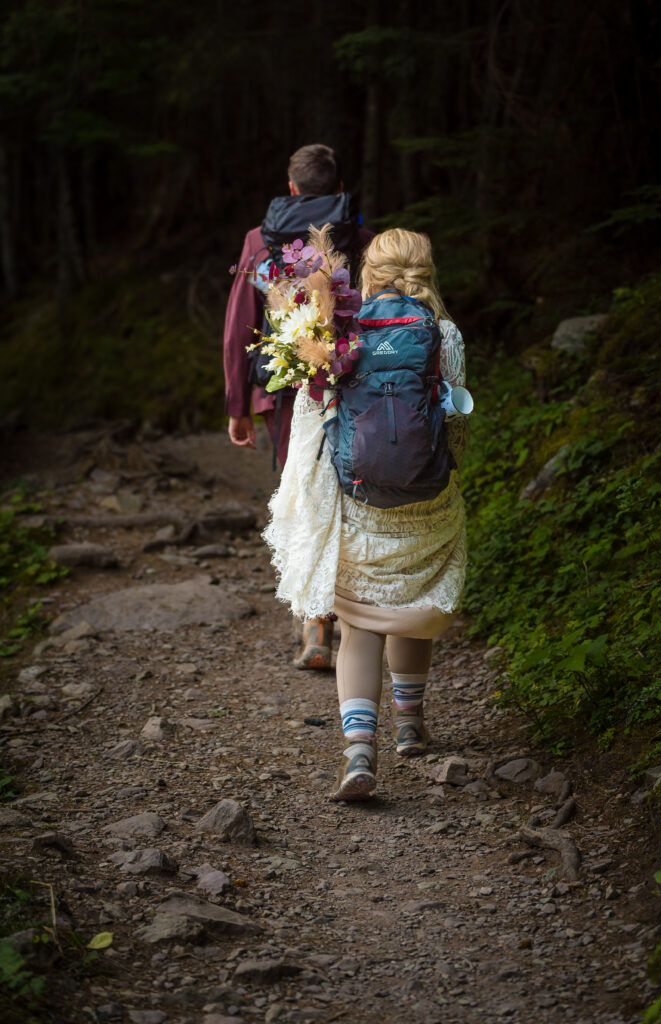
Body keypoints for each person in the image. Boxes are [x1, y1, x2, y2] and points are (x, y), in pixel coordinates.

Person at [263, 228, 469, 800]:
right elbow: (457, 421)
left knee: (359, 622)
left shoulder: (335, 331)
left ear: (368, 274)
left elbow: (314, 422)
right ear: (426, 272)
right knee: (411, 604)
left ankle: (359, 753)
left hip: (362, 499)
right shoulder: (442, 332)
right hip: (428, 500)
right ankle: (410, 726)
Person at [223, 143, 373, 670]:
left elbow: (241, 319)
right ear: (337, 188)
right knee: (348, 490)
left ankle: (314, 625)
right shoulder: (360, 238)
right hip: (353, 382)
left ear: (291, 187)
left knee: (301, 489)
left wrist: (238, 402)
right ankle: (347, 613)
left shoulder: (256, 241)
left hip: (284, 387)